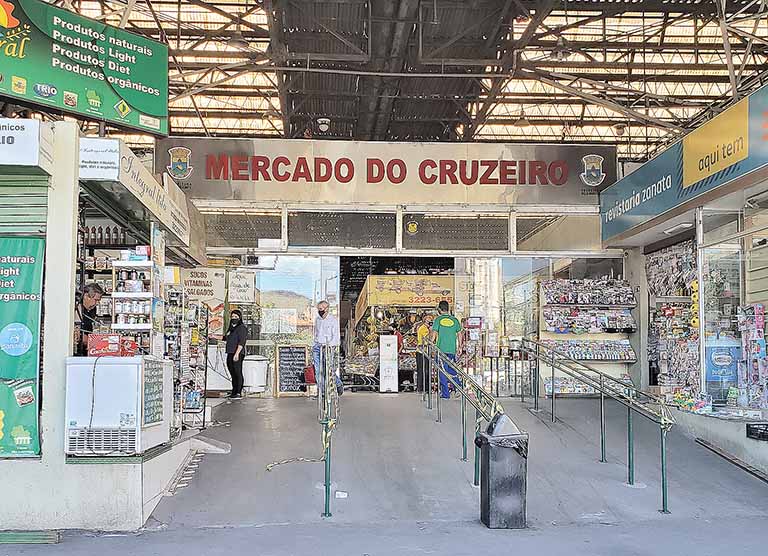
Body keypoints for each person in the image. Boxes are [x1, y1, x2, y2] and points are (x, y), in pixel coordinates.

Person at [430, 301, 462, 399]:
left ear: (439, 309)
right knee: (452, 370)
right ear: (448, 309)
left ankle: (445, 394)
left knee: (442, 371)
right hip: (452, 349)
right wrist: (460, 346)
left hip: (441, 350)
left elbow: (434, 333)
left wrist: (431, 344)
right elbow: (459, 334)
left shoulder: (438, 320)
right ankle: (458, 388)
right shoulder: (455, 320)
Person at [313, 300, 343, 396]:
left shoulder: (333, 320)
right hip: (317, 346)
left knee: (328, 370)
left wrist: (330, 346)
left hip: (328, 347)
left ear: (327, 309)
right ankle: (322, 392)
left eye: (321, 309)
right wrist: (314, 343)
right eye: (318, 309)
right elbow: (316, 333)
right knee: (318, 370)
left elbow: (336, 337)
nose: (319, 311)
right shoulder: (317, 320)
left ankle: (338, 383)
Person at [74, 282, 104, 355]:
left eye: (98, 301)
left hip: (87, 351)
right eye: (96, 300)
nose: (97, 303)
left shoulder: (92, 309)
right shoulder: (77, 309)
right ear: (86, 296)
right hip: (77, 351)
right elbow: (77, 333)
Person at [224, 309, 248, 399]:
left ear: (239, 318)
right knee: (232, 373)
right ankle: (234, 391)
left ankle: (238, 392)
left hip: (237, 353)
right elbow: (225, 338)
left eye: (236, 317)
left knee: (237, 372)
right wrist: (213, 336)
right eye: (232, 317)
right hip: (230, 352)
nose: (234, 318)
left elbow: (242, 342)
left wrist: (237, 353)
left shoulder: (242, 328)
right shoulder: (231, 328)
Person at [415, 314, 432, 392]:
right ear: (425, 321)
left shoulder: (428, 328)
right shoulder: (423, 328)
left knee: (427, 370)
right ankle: (421, 388)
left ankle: (427, 388)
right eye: (429, 321)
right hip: (421, 352)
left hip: (427, 352)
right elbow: (427, 338)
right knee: (422, 371)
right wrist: (431, 331)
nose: (431, 322)